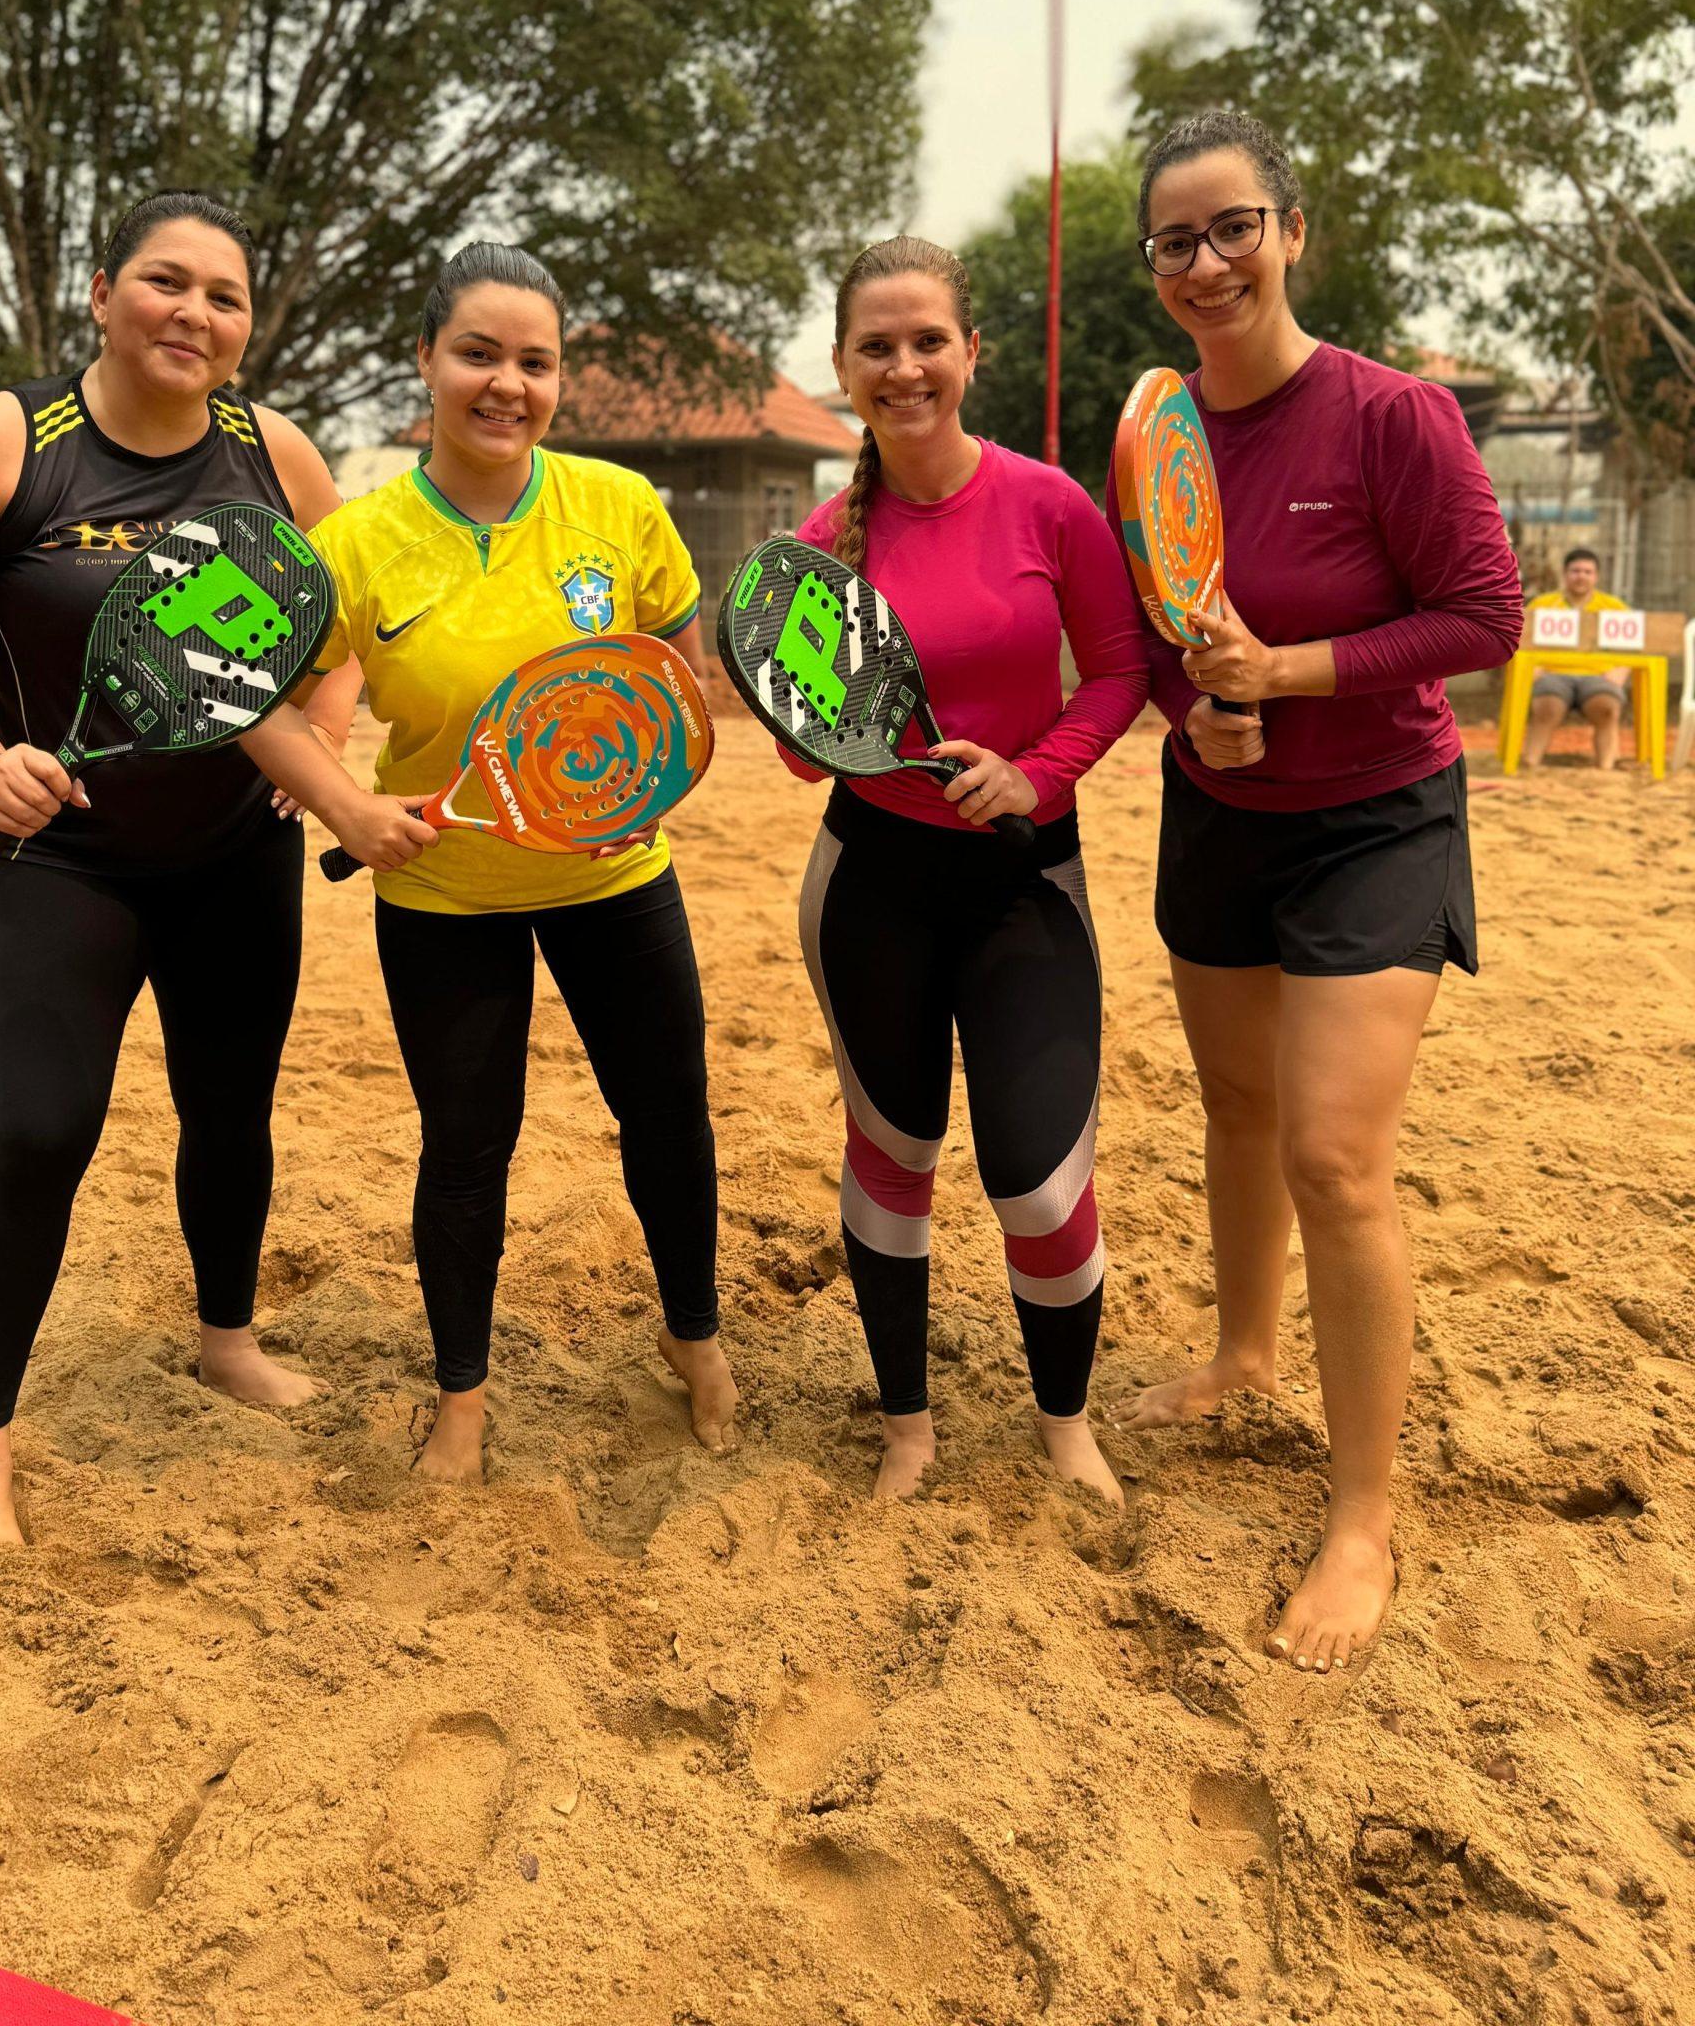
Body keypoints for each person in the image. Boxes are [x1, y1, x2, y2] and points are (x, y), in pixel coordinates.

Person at [0, 191, 362, 1554]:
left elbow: (339, 639)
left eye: (225, 296)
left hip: (236, 858)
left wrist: (319, 746)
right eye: (165, 281)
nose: (193, 312)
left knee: (231, 1113)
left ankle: (226, 1340)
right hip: (64, 859)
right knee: (41, 1134)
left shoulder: (277, 455)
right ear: (101, 293)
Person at [1108, 111, 1525, 1674]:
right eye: (1176, 241)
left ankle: (1362, 1518)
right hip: (1222, 813)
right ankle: (1242, 1350)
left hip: (1377, 816)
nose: (1207, 263)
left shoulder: (1393, 415)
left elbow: (1484, 615)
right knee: (1236, 1109)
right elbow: (1157, 634)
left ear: (1292, 231)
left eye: (1235, 228)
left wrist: (1288, 675)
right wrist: (1196, 714)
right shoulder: (1158, 434)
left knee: (1336, 1158)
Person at [244, 243, 737, 1479]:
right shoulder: (355, 543)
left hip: (615, 881)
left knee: (668, 1118)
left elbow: (677, 679)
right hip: (443, 893)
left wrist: (659, 776)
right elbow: (256, 699)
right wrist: (348, 808)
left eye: (535, 362)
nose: (507, 384)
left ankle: (695, 1338)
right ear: (425, 360)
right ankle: (461, 1396)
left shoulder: (619, 507)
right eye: (478, 353)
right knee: (467, 1149)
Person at [782, 236, 1149, 1503]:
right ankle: (907, 1427)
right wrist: (808, 723)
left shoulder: (1048, 504)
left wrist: (1037, 774)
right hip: (870, 884)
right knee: (894, 1157)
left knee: (1039, 1186)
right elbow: (802, 759)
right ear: (842, 367)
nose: (905, 367)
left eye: (928, 340)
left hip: (1025, 878)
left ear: (971, 352)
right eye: (876, 347)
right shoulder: (822, 543)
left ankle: (1065, 1422)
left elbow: (1121, 670)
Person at [1521, 547, 1631, 771]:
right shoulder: (1543, 604)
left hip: (1598, 676)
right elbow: (1519, 641)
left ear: (1596, 576)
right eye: (1575, 571)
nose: (1581, 576)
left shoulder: (1614, 607)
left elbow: (1633, 647)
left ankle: (1606, 767)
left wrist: (1621, 670)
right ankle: (1530, 764)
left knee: (1607, 707)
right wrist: (1533, 669)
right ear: (1565, 574)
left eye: (1587, 572)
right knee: (1547, 706)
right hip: (1552, 674)